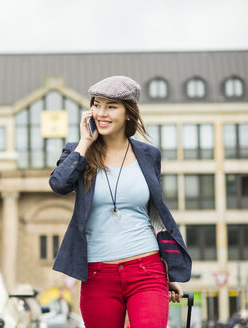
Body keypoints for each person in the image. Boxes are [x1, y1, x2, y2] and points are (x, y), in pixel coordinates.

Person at [48, 76, 192, 328]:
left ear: (128, 113)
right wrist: (85, 142)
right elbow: (59, 185)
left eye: (111, 106)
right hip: (97, 273)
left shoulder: (149, 155)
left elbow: (153, 213)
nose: (101, 113)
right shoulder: (77, 151)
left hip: (147, 269)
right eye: (96, 105)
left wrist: (168, 272)